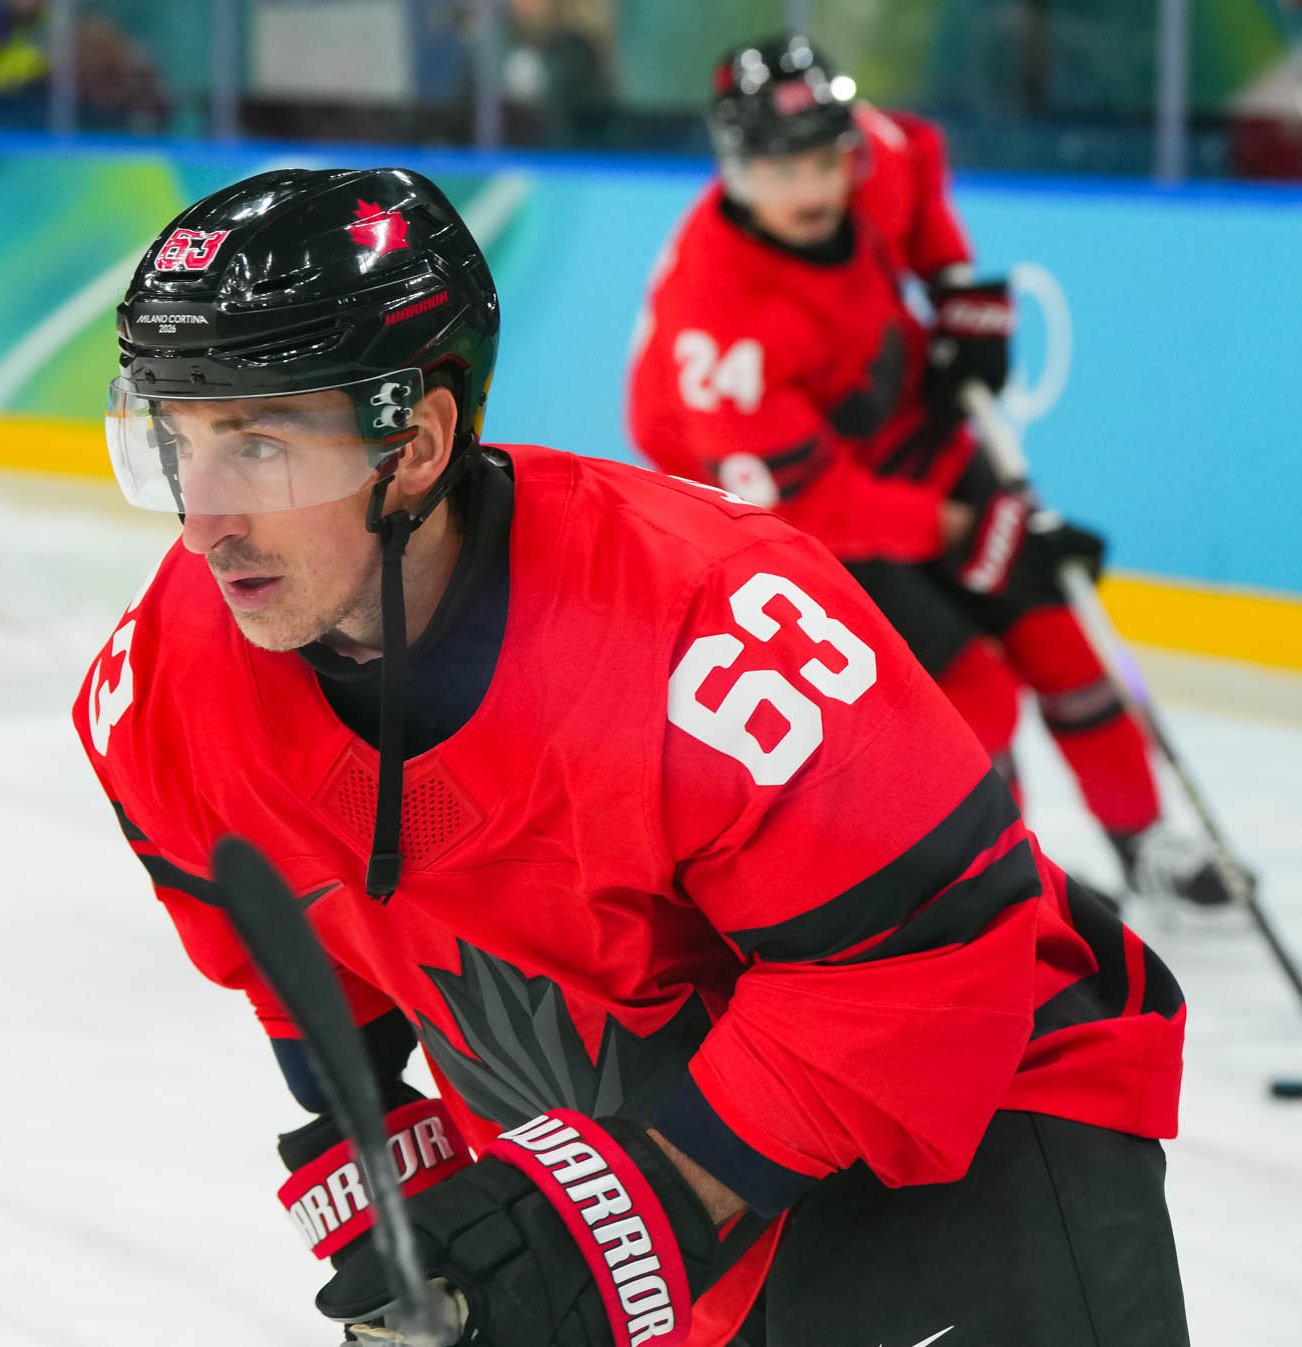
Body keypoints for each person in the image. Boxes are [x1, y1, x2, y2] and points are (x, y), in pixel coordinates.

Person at [74, 165, 1188, 1347]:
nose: (203, 521)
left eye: (257, 446)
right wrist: (400, 1206)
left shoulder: (711, 626)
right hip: (669, 1196)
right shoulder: (162, 692)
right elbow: (293, 964)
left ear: (417, 442)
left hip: (967, 1126)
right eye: (175, 443)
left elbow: (930, 954)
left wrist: (624, 1209)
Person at [626, 34, 1232, 909]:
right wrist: (960, 531)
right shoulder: (720, 319)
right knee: (968, 694)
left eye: (824, 160)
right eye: (780, 169)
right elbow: (807, 505)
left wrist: (954, 291)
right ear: (733, 167)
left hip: (901, 425)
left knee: (1055, 627)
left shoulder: (870, 156)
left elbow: (916, 170)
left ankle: (1145, 841)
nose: (812, 189)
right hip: (786, 506)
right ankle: (1005, 891)